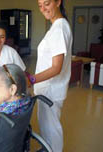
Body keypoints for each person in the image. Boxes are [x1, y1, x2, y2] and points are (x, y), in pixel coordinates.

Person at [28, 0, 72, 151]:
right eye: (40, 5)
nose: (43, 9)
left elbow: (56, 67)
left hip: (51, 91)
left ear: (58, 2)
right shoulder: (57, 26)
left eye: (46, 3)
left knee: (52, 130)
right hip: (47, 89)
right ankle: (48, 148)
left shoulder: (59, 28)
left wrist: (32, 79)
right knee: (47, 128)